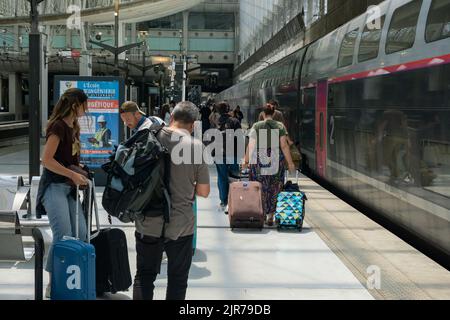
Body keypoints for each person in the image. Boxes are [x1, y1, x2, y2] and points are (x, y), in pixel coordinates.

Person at [133, 101, 210, 300]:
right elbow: (204, 191)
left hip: (147, 220)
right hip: (180, 225)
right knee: (177, 278)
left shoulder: (148, 137)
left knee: (144, 276)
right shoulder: (196, 146)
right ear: (193, 125)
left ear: (171, 118)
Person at [36, 88, 90, 298]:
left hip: (69, 188)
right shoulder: (58, 126)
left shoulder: (73, 126)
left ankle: (73, 279)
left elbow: (68, 159)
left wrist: (80, 171)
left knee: (82, 233)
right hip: (54, 188)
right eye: (85, 104)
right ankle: (54, 281)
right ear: (76, 104)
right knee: (63, 234)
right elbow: (46, 160)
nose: (88, 108)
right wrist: (72, 174)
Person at [243, 103, 295, 226]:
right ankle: (271, 216)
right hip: (276, 159)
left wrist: (246, 161)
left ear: (263, 113)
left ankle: (261, 213)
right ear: (274, 113)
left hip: (259, 160)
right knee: (275, 186)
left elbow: (251, 145)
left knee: (259, 186)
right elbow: (284, 145)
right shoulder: (280, 126)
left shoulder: (256, 125)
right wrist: (291, 163)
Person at [214, 101, 242, 212]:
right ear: (228, 109)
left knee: (222, 176)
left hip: (219, 153)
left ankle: (224, 200)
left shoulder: (216, 122)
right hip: (233, 153)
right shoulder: (234, 121)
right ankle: (234, 199)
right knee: (234, 177)